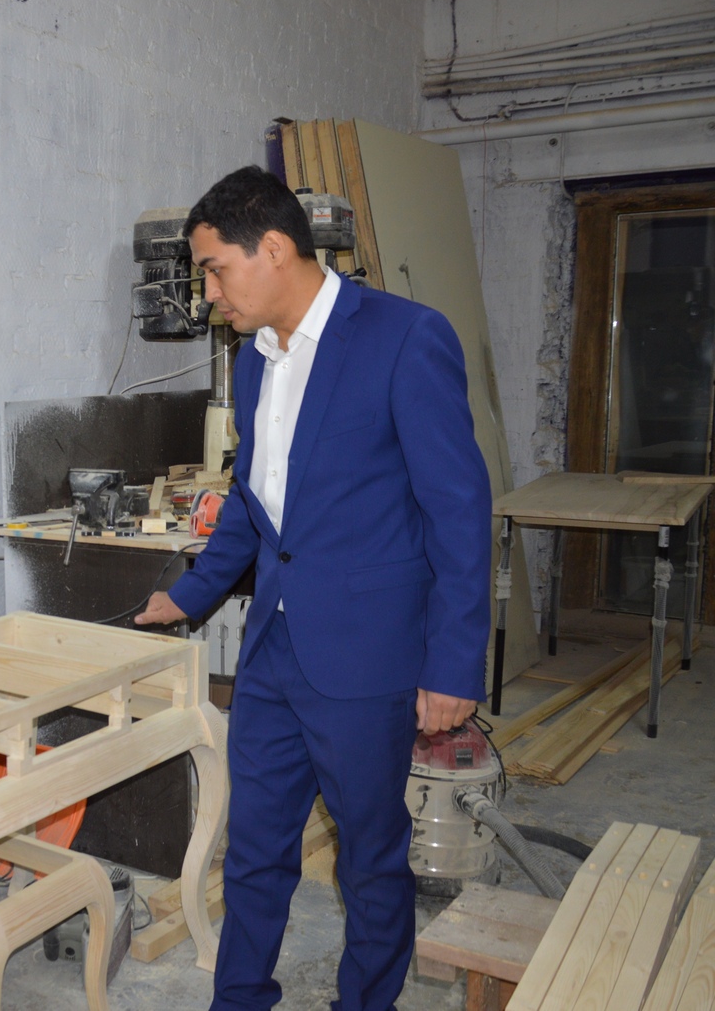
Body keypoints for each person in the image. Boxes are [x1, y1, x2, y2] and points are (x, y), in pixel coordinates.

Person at [135, 166, 492, 1011]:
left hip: (367, 656)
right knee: (255, 849)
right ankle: (239, 999)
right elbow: (254, 502)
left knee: (370, 856)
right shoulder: (255, 361)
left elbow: (458, 512)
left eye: (215, 269)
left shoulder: (405, 338)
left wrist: (453, 665)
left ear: (273, 248)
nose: (208, 293)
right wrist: (192, 594)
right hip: (274, 653)